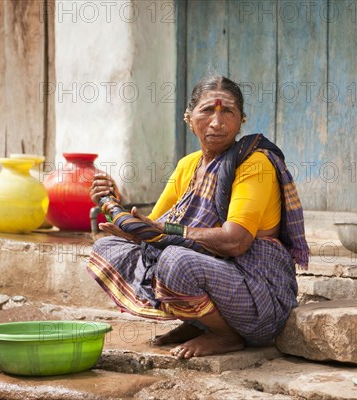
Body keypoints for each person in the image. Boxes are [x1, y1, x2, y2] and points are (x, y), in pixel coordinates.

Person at [88, 76, 309, 359]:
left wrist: (163, 230)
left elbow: (236, 242)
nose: (217, 122)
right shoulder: (188, 165)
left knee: (175, 260)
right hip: (219, 276)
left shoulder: (255, 164)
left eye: (227, 111)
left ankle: (225, 335)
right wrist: (114, 204)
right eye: (207, 111)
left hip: (259, 293)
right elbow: (150, 230)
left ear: (242, 119)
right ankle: (199, 323)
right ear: (189, 118)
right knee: (108, 249)